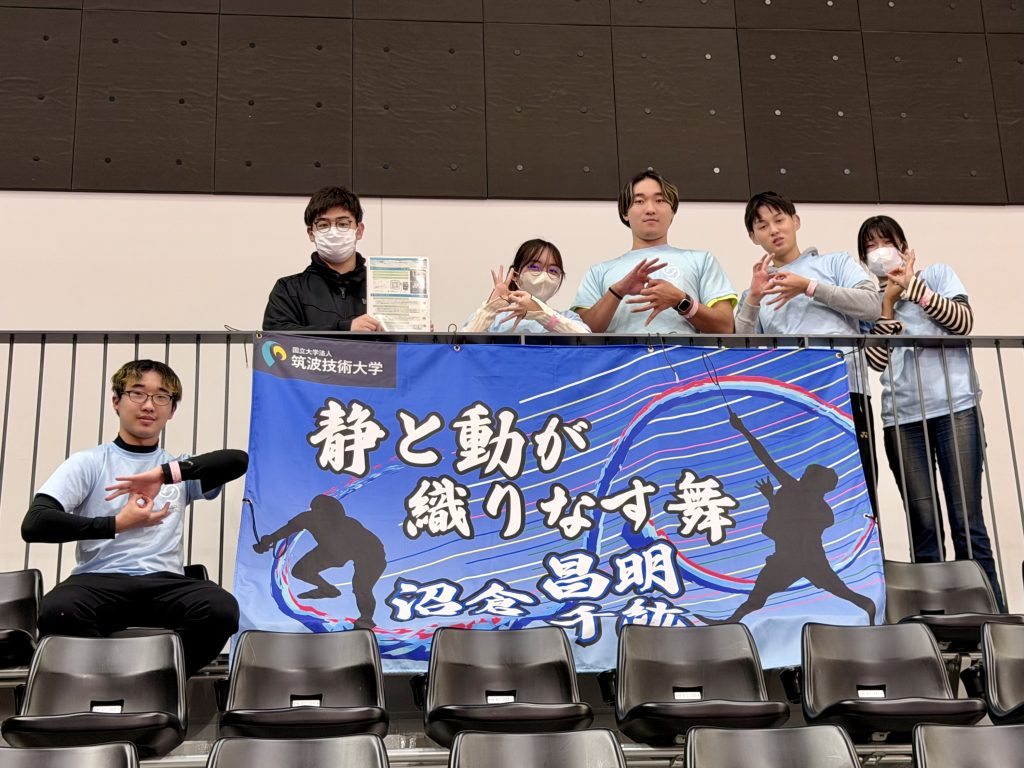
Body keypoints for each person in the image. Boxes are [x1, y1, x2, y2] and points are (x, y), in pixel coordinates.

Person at [22, 360, 249, 676]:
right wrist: (116, 524)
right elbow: (36, 523)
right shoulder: (89, 463)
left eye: (161, 397)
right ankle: (110, 680)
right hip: (99, 580)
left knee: (221, 609)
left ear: (171, 410)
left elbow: (237, 460)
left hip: (164, 583)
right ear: (116, 401)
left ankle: (158, 680)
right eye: (137, 393)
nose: (148, 405)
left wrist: (164, 474)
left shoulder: (179, 470)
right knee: (57, 611)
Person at [857, 215, 1004, 610]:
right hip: (901, 420)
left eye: (886, 242)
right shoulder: (873, 302)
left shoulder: (937, 275)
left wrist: (914, 288)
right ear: (863, 261)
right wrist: (888, 304)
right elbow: (875, 361)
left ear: (905, 249)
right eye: (870, 247)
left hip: (956, 409)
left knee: (967, 521)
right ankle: (936, 625)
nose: (879, 252)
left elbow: (962, 322)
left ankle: (990, 618)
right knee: (923, 526)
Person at [736, 191, 881, 514]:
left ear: (796, 221)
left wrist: (809, 287)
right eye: (762, 225)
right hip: (792, 402)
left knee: (861, 489)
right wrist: (753, 300)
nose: (774, 230)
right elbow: (742, 350)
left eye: (779, 219)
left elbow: (873, 306)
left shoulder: (834, 263)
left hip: (846, 391)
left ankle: (869, 548)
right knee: (802, 502)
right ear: (753, 237)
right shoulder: (755, 290)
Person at [701, 410, 876, 625]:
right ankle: (731, 621)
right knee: (761, 596)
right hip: (796, 558)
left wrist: (743, 429)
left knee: (761, 597)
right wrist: (771, 498)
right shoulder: (816, 505)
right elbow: (792, 519)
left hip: (801, 559)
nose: (801, 477)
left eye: (807, 476)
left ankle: (871, 609)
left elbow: (767, 460)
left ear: (816, 483)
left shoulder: (798, 491)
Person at [571, 169, 736, 334]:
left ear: (672, 212)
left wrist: (681, 301)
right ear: (625, 212)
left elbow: (726, 327)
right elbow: (579, 333)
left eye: (660, 200)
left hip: (682, 352)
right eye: (639, 201)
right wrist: (617, 292)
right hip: (622, 352)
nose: (650, 209)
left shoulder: (702, 261)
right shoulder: (598, 272)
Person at [254, 494, 386, 630]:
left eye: (326, 512)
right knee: (300, 571)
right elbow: (287, 530)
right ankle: (327, 589)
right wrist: (269, 540)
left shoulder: (349, 525)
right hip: (333, 550)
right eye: (317, 510)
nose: (322, 515)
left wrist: (270, 540)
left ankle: (366, 619)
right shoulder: (308, 518)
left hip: (368, 551)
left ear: (336, 513)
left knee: (361, 587)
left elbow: (366, 554)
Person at [263, 186, 383, 332]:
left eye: (343, 224)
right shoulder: (289, 289)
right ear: (311, 233)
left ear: (359, 231)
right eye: (323, 225)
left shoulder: (381, 287)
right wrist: (345, 329)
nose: (333, 232)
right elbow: (275, 337)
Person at [462, 239, 590, 333]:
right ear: (515, 275)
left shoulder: (567, 318)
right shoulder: (494, 317)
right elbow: (460, 347)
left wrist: (542, 314)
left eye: (553, 270)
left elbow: (586, 342)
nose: (544, 275)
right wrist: (491, 309)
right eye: (534, 267)